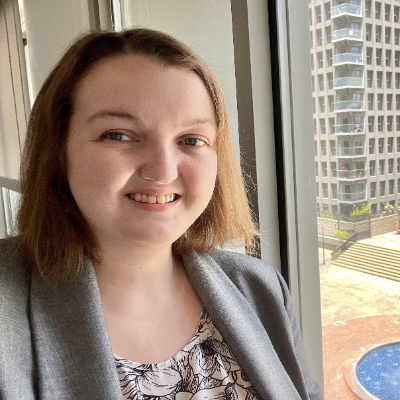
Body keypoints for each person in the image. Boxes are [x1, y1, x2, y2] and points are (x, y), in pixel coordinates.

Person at [0, 29, 322, 399]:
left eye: (191, 140)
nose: (164, 171)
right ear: (58, 150)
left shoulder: (260, 288)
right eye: (119, 135)